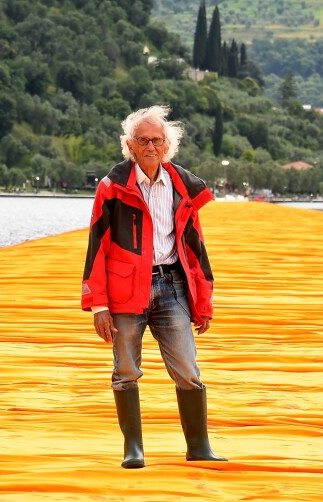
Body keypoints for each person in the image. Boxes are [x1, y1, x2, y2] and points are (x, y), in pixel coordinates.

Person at [82, 105, 227, 469]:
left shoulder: (183, 187)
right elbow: (96, 246)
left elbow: (196, 248)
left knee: (188, 370)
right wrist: (98, 304)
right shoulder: (112, 188)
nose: (151, 146)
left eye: (157, 140)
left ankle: (199, 446)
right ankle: (134, 449)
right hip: (124, 292)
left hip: (173, 285)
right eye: (143, 140)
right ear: (130, 145)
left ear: (168, 146)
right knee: (126, 370)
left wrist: (204, 302)